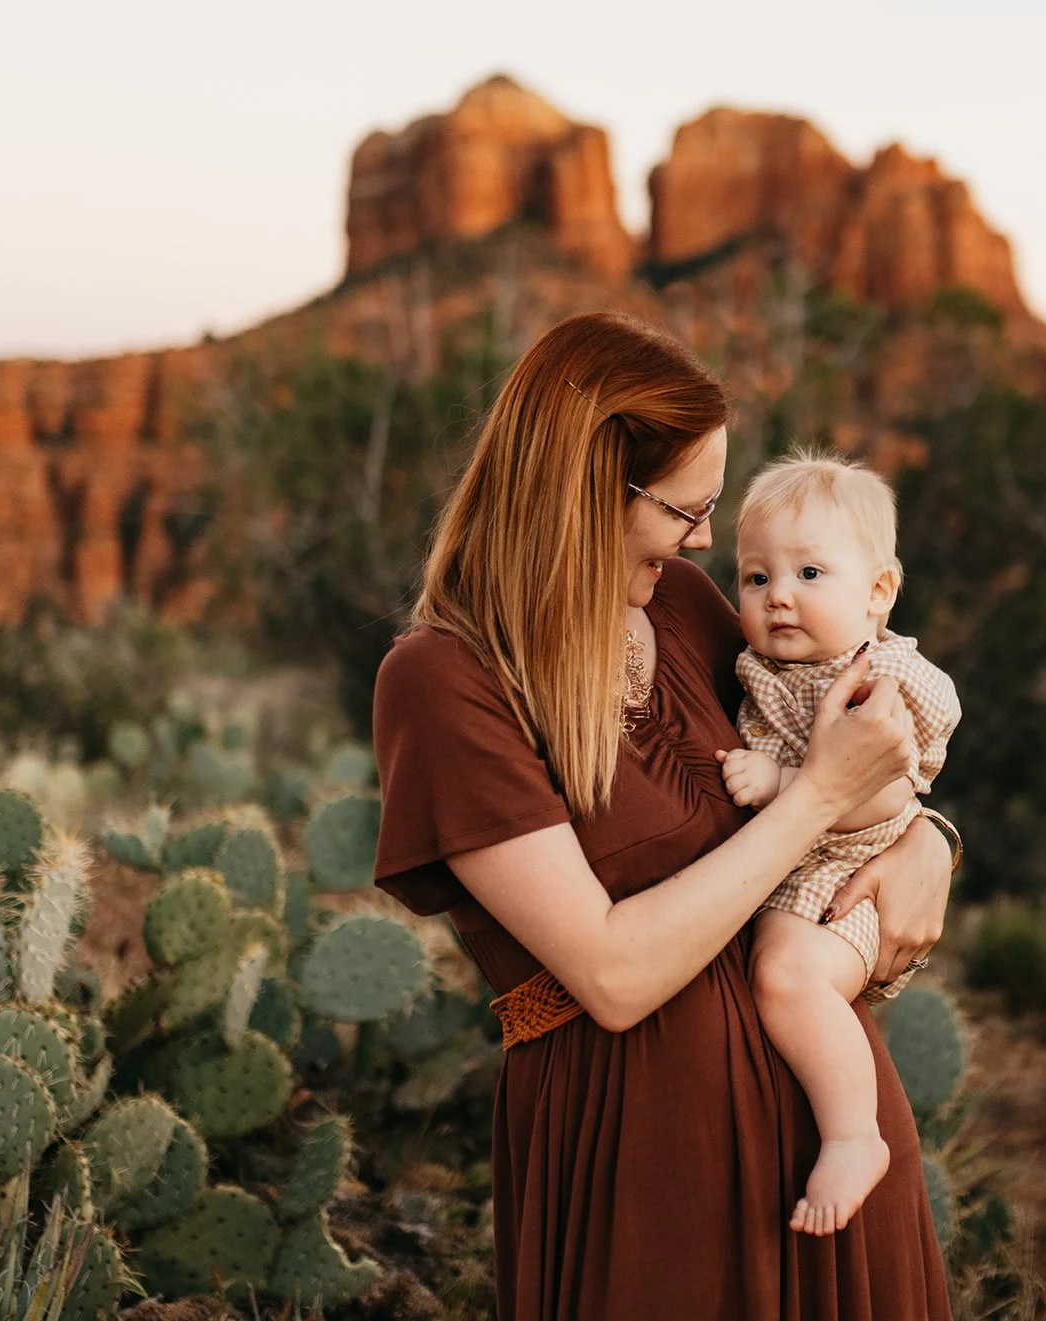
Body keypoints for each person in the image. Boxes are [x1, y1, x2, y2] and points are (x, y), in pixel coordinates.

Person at [370, 309, 959, 1319]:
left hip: (829, 1147)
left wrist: (928, 842)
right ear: (588, 491)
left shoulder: (685, 607)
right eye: (685, 508)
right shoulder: (446, 681)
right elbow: (611, 972)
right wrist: (818, 795)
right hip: (641, 1163)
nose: (701, 537)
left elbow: (852, 727)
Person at [715, 453, 962, 1237]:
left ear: (878, 593)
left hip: (855, 876)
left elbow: (886, 790)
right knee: (774, 975)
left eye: (810, 572)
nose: (777, 595)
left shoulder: (875, 675)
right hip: (796, 875)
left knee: (786, 978)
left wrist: (785, 782)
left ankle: (856, 1137)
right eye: (755, 578)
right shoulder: (759, 666)